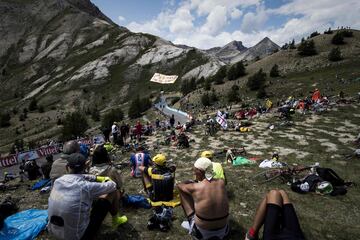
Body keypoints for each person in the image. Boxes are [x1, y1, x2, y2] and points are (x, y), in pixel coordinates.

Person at [47, 153, 127, 240]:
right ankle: (116, 220)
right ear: (86, 166)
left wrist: (95, 178)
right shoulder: (85, 186)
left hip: (54, 232)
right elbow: (112, 185)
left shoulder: (58, 181)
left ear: (67, 167)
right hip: (78, 237)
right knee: (112, 192)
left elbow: (79, 177)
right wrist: (105, 179)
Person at [177, 157, 229, 240]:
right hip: (223, 230)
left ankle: (191, 222)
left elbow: (180, 186)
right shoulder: (221, 182)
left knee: (182, 192)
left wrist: (189, 181)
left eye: (195, 170)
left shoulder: (195, 187)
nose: (194, 172)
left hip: (202, 233)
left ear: (200, 171)